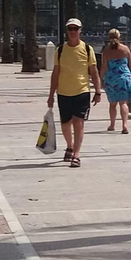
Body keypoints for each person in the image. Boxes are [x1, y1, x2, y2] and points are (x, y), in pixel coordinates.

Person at [47, 18, 102, 167]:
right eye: (70, 29)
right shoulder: (60, 51)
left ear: (80, 30)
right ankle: (69, 146)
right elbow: (55, 73)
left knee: (78, 122)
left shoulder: (87, 49)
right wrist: (51, 95)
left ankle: (76, 154)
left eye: (75, 29)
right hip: (63, 92)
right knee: (65, 124)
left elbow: (94, 72)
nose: (72, 31)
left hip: (82, 91)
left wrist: (98, 91)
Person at [101, 28, 131, 133]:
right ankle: (124, 125)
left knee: (113, 104)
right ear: (119, 37)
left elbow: (104, 66)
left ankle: (112, 125)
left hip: (112, 78)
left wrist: (100, 78)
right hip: (124, 77)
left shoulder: (106, 51)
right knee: (123, 103)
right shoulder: (125, 49)